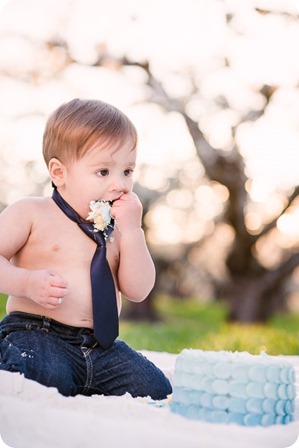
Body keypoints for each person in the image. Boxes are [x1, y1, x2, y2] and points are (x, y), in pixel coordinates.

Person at [0, 98, 172, 399]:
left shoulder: (118, 231)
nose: (120, 185)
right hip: (37, 333)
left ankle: (81, 383)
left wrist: (133, 231)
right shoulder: (31, 213)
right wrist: (26, 282)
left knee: (153, 388)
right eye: (103, 172)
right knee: (41, 378)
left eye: (127, 171)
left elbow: (137, 290)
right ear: (59, 173)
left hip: (100, 348)